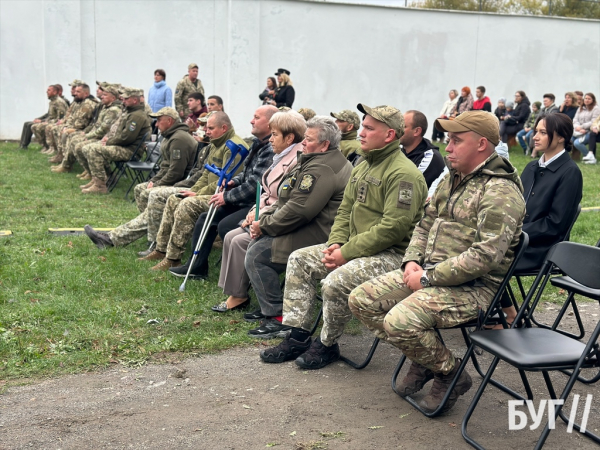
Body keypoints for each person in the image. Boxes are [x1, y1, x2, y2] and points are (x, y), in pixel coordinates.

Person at [348, 111, 525, 413]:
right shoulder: (453, 179)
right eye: (449, 140)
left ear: (482, 144)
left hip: (475, 289)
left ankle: (449, 371)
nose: (448, 147)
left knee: (399, 321)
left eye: (457, 140)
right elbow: (424, 224)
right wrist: (412, 261)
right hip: (430, 275)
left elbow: (484, 258)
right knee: (362, 299)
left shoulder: (500, 192)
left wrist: (427, 279)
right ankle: (432, 363)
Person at [258, 104, 428, 371]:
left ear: (390, 135)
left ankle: (327, 344)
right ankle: (298, 335)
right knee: (300, 259)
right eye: (362, 126)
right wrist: (336, 243)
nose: (361, 132)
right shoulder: (363, 164)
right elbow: (345, 210)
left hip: (391, 255)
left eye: (370, 128)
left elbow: (392, 229)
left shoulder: (404, 174)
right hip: (354, 247)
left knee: (335, 281)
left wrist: (346, 253)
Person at [245, 115, 355, 340]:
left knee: (258, 255)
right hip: (313, 224)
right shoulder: (318, 159)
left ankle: (277, 316)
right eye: (304, 137)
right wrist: (265, 222)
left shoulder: (322, 168)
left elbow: (299, 209)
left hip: (320, 232)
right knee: (258, 246)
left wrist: (265, 226)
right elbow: (290, 200)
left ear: (324, 144)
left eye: (309, 139)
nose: (303, 143)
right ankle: (273, 306)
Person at [167, 106, 278, 278]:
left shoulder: (270, 148)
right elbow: (246, 174)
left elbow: (255, 185)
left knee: (225, 225)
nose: (251, 121)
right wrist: (233, 181)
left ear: (270, 123)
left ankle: (237, 275)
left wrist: (226, 196)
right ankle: (197, 266)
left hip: (256, 204)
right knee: (206, 218)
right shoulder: (258, 143)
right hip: (243, 199)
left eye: (256, 117)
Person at [496, 113, 583, 327]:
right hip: (517, 239)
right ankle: (496, 311)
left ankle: (508, 314)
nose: (535, 136)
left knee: (485, 258)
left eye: (543, 132)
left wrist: (513, 234)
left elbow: (555, 224)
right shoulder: (532, 167)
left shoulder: (570, 172)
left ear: (561, 137)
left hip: (541, 247)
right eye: (536, 131)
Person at [212, 111, 304, 312]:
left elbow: (284, 200)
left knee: (238, 240)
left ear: (289, 138)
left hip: (279, 220)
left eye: (275, 135)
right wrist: (253, 212)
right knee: (230, 236)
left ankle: (238, 296)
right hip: (265, 211)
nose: (270, 139)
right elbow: (265, 191)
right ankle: (236, 293)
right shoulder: (281, 155)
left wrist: (259, 218)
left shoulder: (296, 160)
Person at [140, 111, 250, 270]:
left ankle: (173, 257)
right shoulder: (216, 143)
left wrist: (197, 195)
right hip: (209, 193)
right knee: (175, 198)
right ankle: (161, 249)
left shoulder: (235, 147)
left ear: (224, 127)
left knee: (187, 204)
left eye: (211, 128)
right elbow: (207, 173)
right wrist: (194, 190)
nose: (207, 131)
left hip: (225, 198)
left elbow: (225, 182)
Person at [84, 107, 199, 249]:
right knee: (140, 189)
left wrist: (158, 184)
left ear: (170, 121)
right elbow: (165, 167)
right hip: (177, 181)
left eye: (159, 120)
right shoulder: (172, 136)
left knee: (148, 193)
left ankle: (114, 238)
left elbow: (176, 172)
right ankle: (154, 229)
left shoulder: (179, 138)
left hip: (180, 183)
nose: (156, 124)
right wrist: (154, 181)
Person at [79, 87, 151, 194]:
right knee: (86, 148)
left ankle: (100, 186)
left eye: (126, 98)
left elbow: (126, 138)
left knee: (94, 150)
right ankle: (102, 179)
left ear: (135, 100)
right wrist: (108, 140)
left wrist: (109, 142)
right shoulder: (130, 112)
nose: (123, 100)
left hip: (130, 151)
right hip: (122, 146)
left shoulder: (137, 116)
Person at [53, 84, 122, 175]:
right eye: (103, 94)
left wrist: (87, 135)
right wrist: (85, 133)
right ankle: (86, 170)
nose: (102, 96)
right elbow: (94, 124)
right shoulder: (105, 107)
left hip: (102, 138)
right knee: (74, 139)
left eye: (105, 95)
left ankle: (94, 173)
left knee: (78, 144)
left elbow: (103, 129)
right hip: (95, 134)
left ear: (113, 98)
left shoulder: (113, 110)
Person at [48, 83, 99, 165]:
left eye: (78, 92)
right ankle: (61, 155)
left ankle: (66, 162)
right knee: (57, 128)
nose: (75, 93)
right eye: (75, 91)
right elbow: (71, 116)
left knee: (65, 133)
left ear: (86, 93)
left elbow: (81, 124)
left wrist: (67, 127)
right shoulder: (79, 102)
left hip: (83, 129)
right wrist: (66, 125)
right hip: (77, 126)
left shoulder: (87, 104)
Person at [399, 110, 445, 188]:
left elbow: (405, 187)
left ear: (417, 131)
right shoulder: (399, 152)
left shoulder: (430, 157)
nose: (397, 130)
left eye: (403, 126)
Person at [27, 85, 68, 150]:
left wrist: (43, 122)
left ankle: (52, 148)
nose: (47, 92)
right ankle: (45, 146)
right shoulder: (52, 102)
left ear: (54, 92)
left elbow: (60, 118)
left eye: (49, 90)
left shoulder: (59, 102)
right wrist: (42, 120)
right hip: (51, 121)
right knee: (34, 126)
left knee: (46, 127)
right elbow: (50, 116)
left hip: (59, 123)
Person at [574, 93, 600, 164]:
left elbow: (593, 122)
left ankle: (591, 158)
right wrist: (577, 127)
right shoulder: (581, 108)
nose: (587, 100)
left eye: (589, 99)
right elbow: (575, 120)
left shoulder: (596, 108)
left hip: (589, 131)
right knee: (570, 139)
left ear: (593, 100)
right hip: (578, 130)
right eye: (586, 98)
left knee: (577, 143)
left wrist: (582, 127)